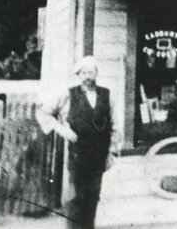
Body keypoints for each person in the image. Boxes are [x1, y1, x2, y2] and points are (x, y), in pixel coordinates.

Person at [36, 56, 119, 229]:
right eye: (84, 72)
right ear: (78, 74)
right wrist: (61, 129)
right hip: (76, 153)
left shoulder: (107, 95)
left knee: (93, 196)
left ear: (96, 73)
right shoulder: (68, 94)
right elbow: (43, 112)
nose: (88, 76)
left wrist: (112, 152)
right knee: (76, 197)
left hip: (99, 154)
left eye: (91, 72)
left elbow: (115, 125)